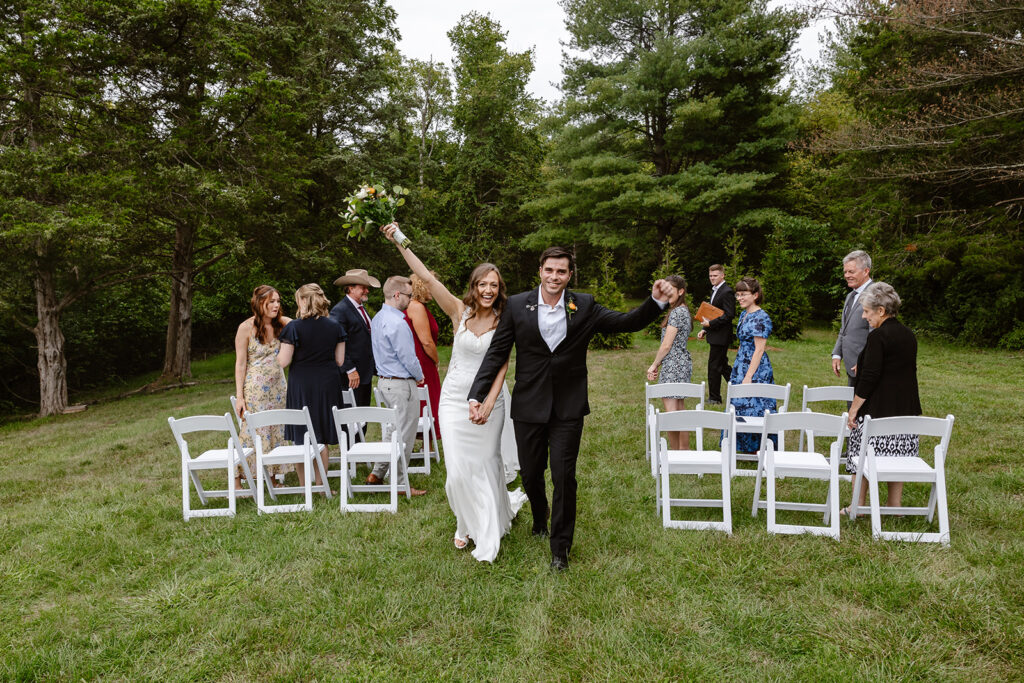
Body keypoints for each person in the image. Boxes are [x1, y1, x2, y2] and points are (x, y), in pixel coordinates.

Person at [469, 246, 671, 571]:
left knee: (564, 477)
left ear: (569, 275)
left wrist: (656, 302)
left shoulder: (584, 305)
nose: (554, 276)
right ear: (540, 271)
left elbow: (626, 322)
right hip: (528, 406)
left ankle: (560, 550)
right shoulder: (518, 305)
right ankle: (539, 514)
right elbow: (497, 353)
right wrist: (477, 394)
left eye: (561, 271)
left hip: (568, 406)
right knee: (532, 474)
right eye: (549, 270)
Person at [382, 224, 525, 561]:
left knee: (487, 463)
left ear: (499, 289)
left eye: (494, 285)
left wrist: (489, 402)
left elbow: (503, 362)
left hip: (491, 399)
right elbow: (426, 279)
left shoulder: (506, 319)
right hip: (453, 400)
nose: (488, 290)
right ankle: (465, 520)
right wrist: (399, 241)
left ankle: (485, 527)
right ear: (474, 287)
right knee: (457, 472)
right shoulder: (459, 313)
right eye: (482, 284)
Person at [843, 282, 921, 513]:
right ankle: (893, 505)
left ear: (881, 310)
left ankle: (857, 504)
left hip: (877, 410)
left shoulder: (878, 336)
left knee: (861, 454)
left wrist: (854, 408)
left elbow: (870, 377)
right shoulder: (908, 335)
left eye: (867, 311)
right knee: (898, 455)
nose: (864, 316)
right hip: (905, 407)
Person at [276, 284, 346, 489]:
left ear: (304, 301)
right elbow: (340, 360)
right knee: (321, 434)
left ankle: (303, 484)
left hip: (302, 385)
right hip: (327, 384)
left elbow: (283, 361)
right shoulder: (335, 326)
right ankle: (321, 485)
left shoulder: (293, 328)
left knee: (302, 435)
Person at [366, 276, 426, 496]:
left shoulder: (378, 317)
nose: (411, 300)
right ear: (397, 295)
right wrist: (419, 376)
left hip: (385, 381)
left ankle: (377, 473)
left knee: (392, 430)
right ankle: (400, 483)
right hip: (401, 384)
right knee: (405, 435)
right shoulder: (397, 322)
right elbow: (408, 357)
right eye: (409, 296)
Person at [233, 285, 292, 487]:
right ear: (260, 303)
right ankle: (238, 478)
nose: (276, 305)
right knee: (252, 432)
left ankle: (272, 478)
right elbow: (240, 364)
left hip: (278, 389)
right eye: (271, 301)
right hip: (255, 390)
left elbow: (301, 325)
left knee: (275, 430)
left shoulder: (282, 325)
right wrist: (240, 397)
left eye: (278, 301)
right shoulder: (245, 328)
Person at [729, 277, 776, 454]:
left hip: (756, 369)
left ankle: (760, 448)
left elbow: (759, 349)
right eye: (738, 294)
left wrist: (748, 376)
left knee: (755, 405)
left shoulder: (761, 317)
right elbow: (743, 342)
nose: (739, 298)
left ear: (755, 295)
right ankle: (742, 446)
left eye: (743, 294)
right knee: (739, 404)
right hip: (741, 363)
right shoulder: (744, 314)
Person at [646, 275, 693, 449]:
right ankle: (684, 450)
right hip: (681, 363)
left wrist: (654, 364)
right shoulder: (682, 310)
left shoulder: (677, 312)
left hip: (673, 364)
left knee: (671, 413)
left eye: (670, 290)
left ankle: (675, 453)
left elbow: (666, 345)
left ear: (681, 291)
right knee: (680, 410)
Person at [329, 269, 380, 408]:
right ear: (351, 288)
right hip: (351, 377)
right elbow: (336, 342)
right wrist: (350, 369)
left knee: (363, 417)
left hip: (364, 373)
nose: (367, 291)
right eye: (363, 287)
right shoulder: (340, 310)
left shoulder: (360, 308)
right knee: (352, 420)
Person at [405, 273, 441, 437]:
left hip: (423, 360)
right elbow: (426, 341)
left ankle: (426, 444)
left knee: (429, 399)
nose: (433, 291)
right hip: (423, 361)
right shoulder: (416, 307)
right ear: (422, 286)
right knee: (427, 400)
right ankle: (426, 443)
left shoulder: (418, 306)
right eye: (431, 287)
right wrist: (436, 360)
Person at [832, 250, 873, 386]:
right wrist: (837, 354)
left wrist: (865, 361)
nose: (847, 276)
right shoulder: (850, 296)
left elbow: (876, 335)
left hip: (867, 368)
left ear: (866, 271)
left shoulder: (876, 294)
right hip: (852, 367)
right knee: (852, 406)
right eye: (845, 272)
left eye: (851, 272)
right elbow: (844, 329)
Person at [696, 264, 734, 404]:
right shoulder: (715, 290)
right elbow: (713, 313)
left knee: (714, 367)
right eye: (710, 276)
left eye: (715, 275)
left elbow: (729, 315)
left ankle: (714, 398)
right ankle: (740, 390)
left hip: (721, 336)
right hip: (715, 334)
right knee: (722, 365)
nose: (712, 278)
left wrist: (710, 325)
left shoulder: (727, 291)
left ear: (722, 275)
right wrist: (705, 330)